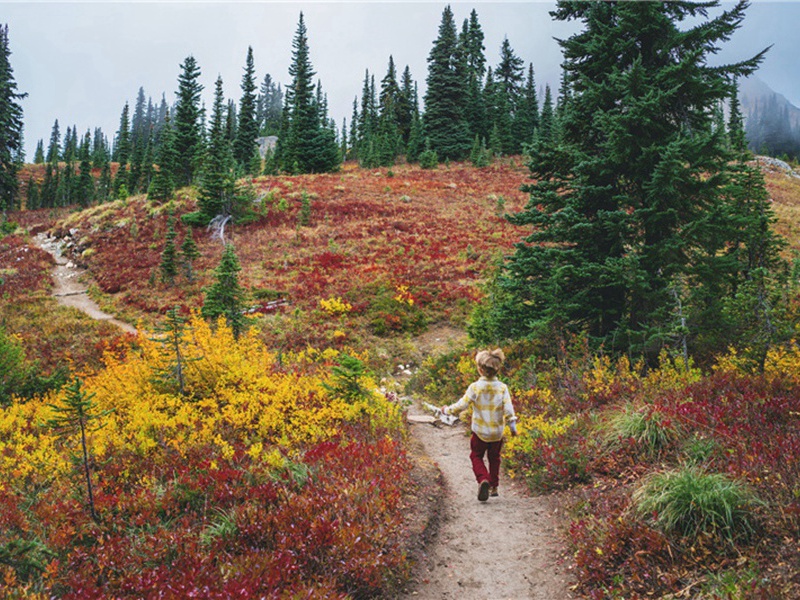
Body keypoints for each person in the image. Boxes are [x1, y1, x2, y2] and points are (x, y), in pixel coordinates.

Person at [443, 349, 517, 502]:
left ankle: (483, 479)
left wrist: (447, 410)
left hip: (480, 432)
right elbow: (509, 409)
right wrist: (512, 426)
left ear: (480, 369)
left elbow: (461, 405)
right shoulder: (502, 388)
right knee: (494, 458)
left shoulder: (475, 387)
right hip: (497, 433)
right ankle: (494, 486)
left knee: (476, 456)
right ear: (497, 369)